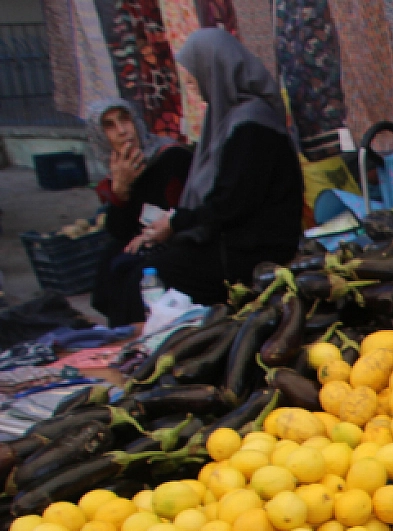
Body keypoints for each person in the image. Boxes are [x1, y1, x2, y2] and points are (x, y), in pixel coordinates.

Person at [101, 29, 304, 325]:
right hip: (230, 239)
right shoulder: (229, 119)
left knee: (148, 277)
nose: (193, 84)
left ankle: (144, 353)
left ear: (215, 70)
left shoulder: (252, 125)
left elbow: (232, 203)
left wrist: (175, 223)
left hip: (251, 249)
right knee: (122, 265)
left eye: (196, 74)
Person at [88, 99, 192, 323]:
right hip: (146, 240)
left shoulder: (170, 156)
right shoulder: (118, 168)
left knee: (136, 275)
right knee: (109, 260)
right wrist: (121, 190)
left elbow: (189, 207)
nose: (122, 131)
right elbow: (120, 230)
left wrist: (152, 233)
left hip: (180, 235)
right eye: (110, 125)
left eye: (125, 120)